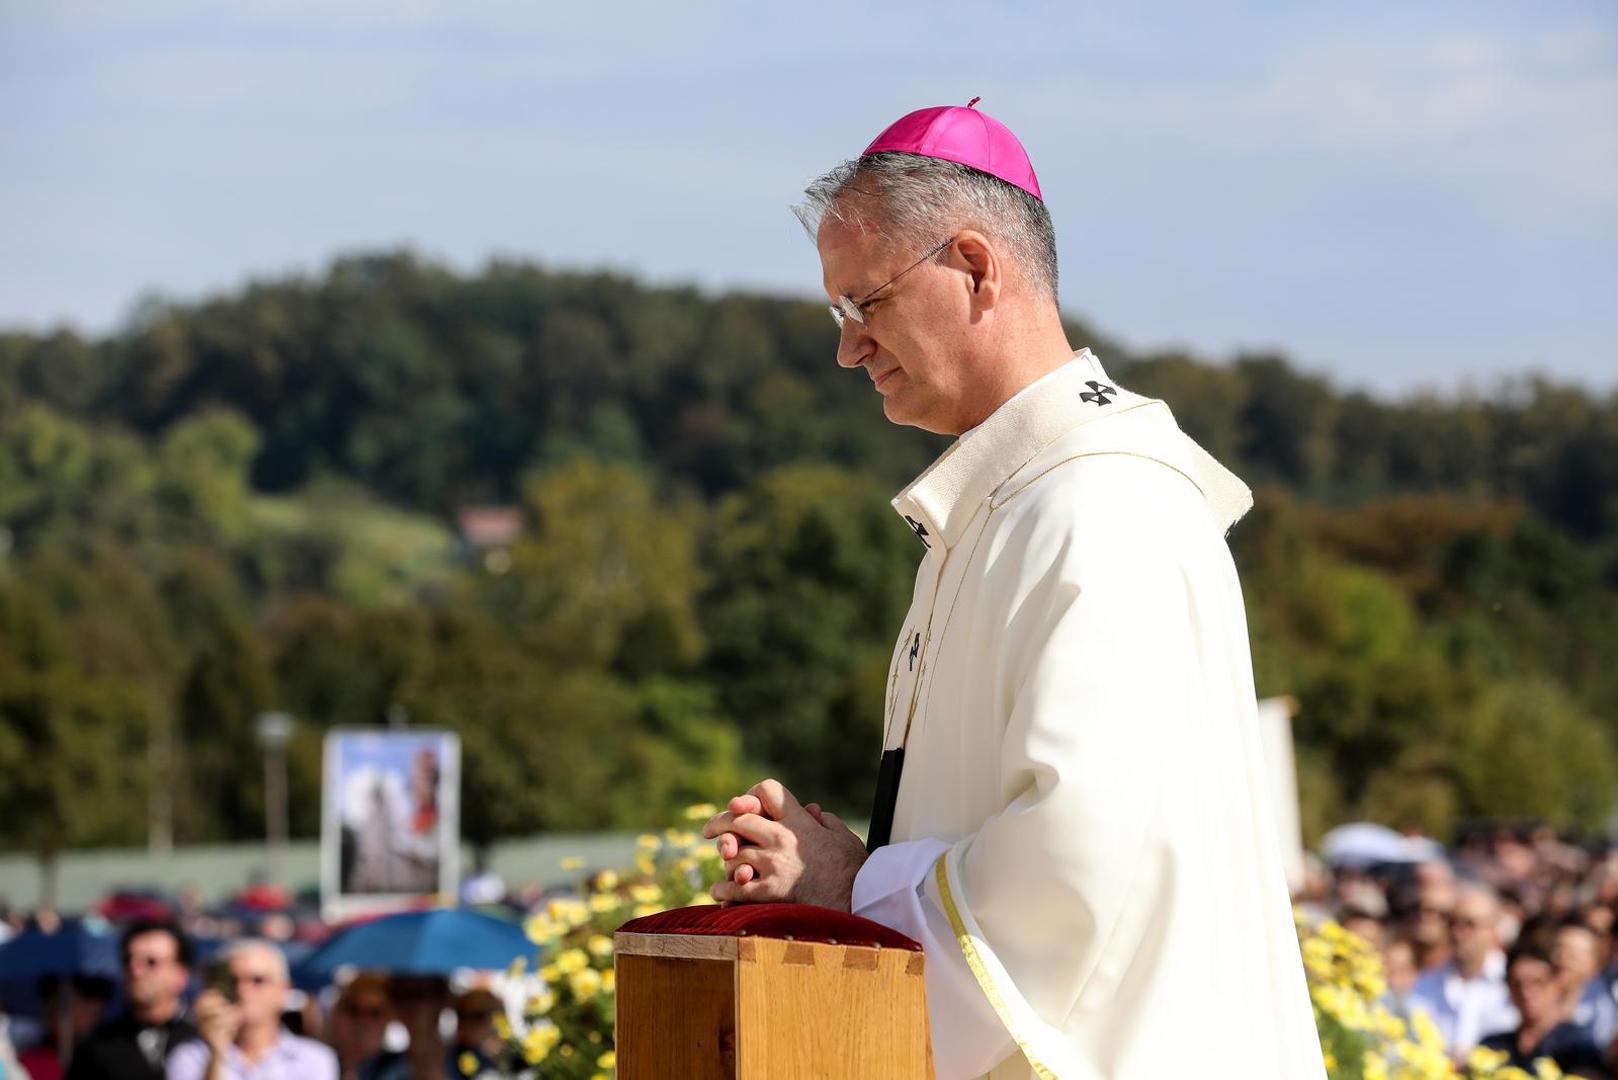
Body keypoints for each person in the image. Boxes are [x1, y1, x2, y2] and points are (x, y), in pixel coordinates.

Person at [701, 100, 1325, 1078]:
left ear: (976, 266)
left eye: (866, 303)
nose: (847, 347)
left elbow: (1080, 865)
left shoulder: (1098, 504)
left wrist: (858, 888)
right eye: (839, 313)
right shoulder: (1012, 507)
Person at [165, 940, 336, 1080]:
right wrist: (216, 1055)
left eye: (257, 980)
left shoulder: (314, 1059)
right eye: (233, 981)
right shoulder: (190, 1056)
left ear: (284, 990)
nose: (242, 990)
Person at [66, 919, 197, 1080]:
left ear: (181, 975)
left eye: (151, 962)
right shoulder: (97, 1046)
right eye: (128, 961)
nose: (136, 971)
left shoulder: (202, 1040)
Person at [1409, 883, 1519, 1061]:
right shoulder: (1425, 984)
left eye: (1470, 924)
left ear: (1492, 929)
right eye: (1453, 923)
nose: (1458, 933)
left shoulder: (1514, 982)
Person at [1478, 942, 1610, 1078]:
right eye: (1518, 984)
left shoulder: (1578, 1046)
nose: (1526, 992)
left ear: (1556, 984)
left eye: (1537, 982)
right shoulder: (1493, 1046)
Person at [325, 975, 391, 1080]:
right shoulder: (314, 1062)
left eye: (374, 1013)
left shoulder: (400, 1070)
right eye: (354, 1010)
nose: (363, 1021)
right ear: (336, 1015)